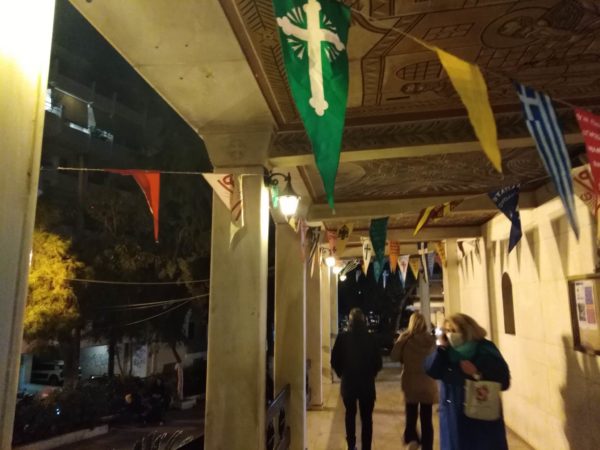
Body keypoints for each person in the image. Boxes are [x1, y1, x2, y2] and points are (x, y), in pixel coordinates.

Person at [425, 313, 510, 450]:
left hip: (481, 419)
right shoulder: (446, 352)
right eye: (447, 331)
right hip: (453, 418)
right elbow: (431, 370)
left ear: (467, 330)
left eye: (454, 330)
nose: (450, 334)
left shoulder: (485, 349)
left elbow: (504, 381)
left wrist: (477, 373)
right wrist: (441, 348)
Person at [331, 308, 383, 450]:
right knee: (367, 419)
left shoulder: (342, 338)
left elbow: (334, 360)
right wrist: (371, 373)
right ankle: (366, 447)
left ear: (350, 321)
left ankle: (351, 445)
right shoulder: (371, 338)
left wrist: (341, 374)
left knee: (350, 415)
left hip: (349, 384)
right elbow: (378, 363)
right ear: (364, 321)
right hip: (367, 385)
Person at [391, 312, 438, 450]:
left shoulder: (405, 339)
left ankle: (413, 440)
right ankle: (427, 446)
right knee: (426, 420)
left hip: (411, 384)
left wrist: (400, 340)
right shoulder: (431, 340)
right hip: (428, 384)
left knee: (411, 416)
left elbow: (394, 356)